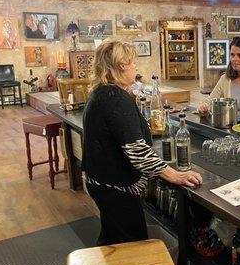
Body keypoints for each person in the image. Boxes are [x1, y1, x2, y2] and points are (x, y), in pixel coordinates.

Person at [83, 40, 202, 247]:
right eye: (132, 63)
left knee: (112, 237)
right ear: (121, 64)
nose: (135, 67)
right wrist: (175, 175)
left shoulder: (102, 92)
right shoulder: (114, 96)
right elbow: (137, 151)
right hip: (116, 187)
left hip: (101, 182)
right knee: (130, 246)